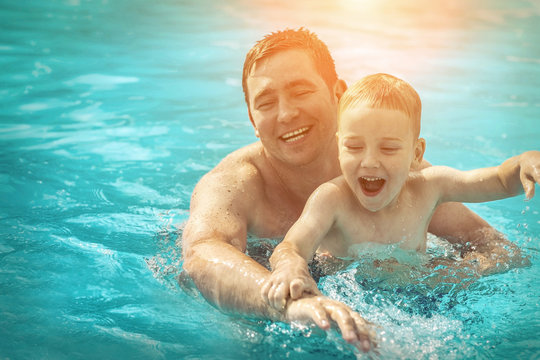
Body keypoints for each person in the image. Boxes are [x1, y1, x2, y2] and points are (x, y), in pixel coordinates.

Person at [180, 28, 521, 351]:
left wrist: (453, 274)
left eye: (301, 91)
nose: (286, 113)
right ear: (253, 120)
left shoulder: (393, 177)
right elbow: (202, 255)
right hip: (277, 316)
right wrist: (289, 305)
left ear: (337, 93)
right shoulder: (234, 183)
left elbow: (494, 247)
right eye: (266, 103)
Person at [260, 73, 540, 309]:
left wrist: (524, 162)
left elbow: (499, 182)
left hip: (423, 295)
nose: (369, 161)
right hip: (349, 295)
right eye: (354, 147)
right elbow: (291, 246)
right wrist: (289, 267)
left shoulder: (430, 187)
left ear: (416, 154)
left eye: (389, 148)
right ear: (339, 147)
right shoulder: (331, 199)